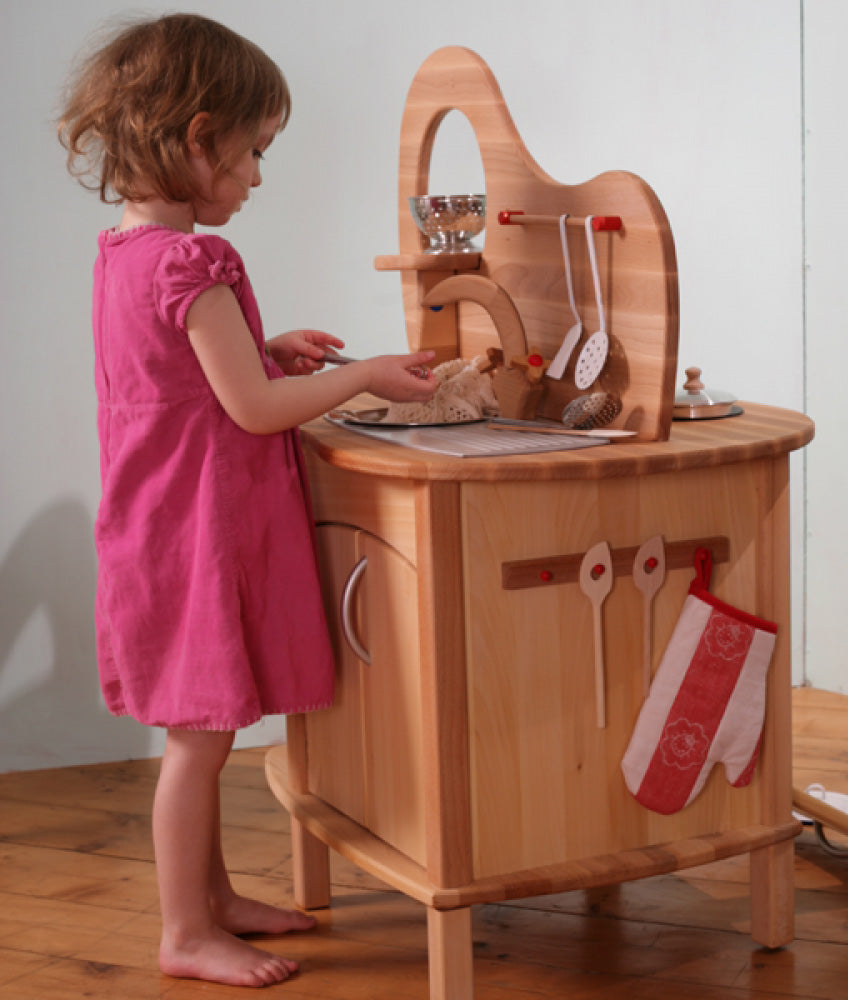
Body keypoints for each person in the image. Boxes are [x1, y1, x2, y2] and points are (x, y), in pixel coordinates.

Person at [58, 13, 436, 988]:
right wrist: (366, 376)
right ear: (197, 136)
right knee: (197, 740)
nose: (260, 177)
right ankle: (185, 931)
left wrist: (268, 348)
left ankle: (214, 898)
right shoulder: (195, 263)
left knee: (202, 732)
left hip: (154, 528)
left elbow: (181, 380)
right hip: (195, 535)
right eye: (255, 152)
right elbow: (258, 411)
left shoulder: (123, 256)